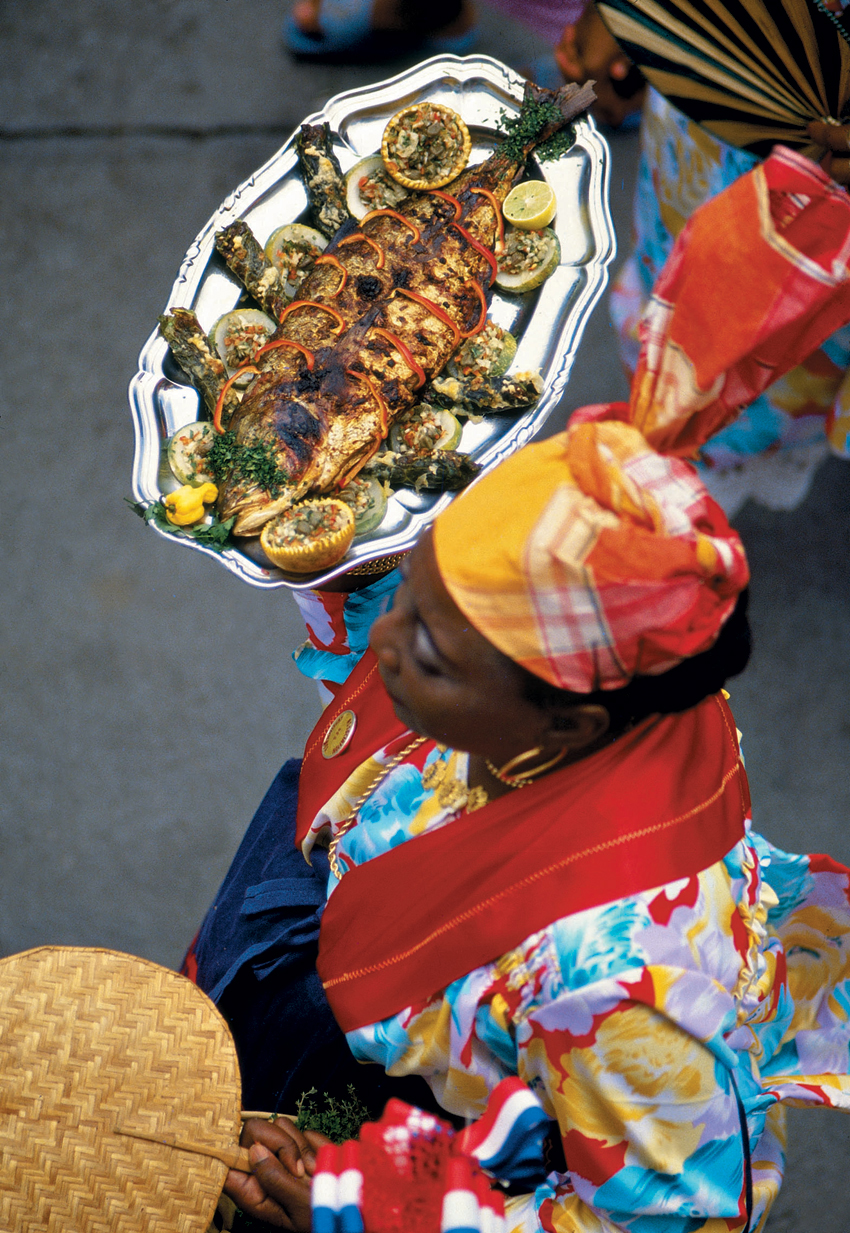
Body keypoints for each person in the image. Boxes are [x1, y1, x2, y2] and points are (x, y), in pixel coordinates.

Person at [185, 150, 850, 1231]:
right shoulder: (627, 694)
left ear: (567, 719)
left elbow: (662, 1222)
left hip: (433, 1143)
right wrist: (348, 580)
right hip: (365, 956)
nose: (384, 651)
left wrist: (359, 1206)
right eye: (410, 595)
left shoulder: (622, 987)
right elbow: (419, 652)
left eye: (430, 650)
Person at [554, 2, 850, 515]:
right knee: (669, 282)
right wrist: (631, 18)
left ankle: (708, 475)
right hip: (711, 103)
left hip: (824, 217)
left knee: (775, 362)